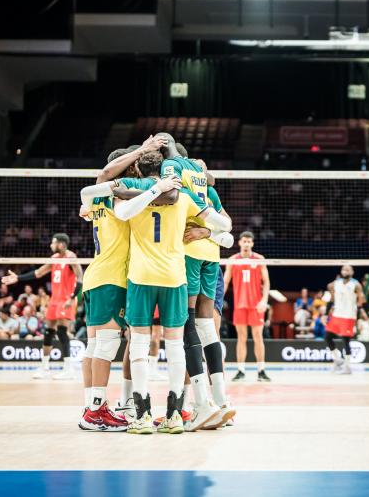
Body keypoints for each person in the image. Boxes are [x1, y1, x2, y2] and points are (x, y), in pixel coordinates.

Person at [112, 150, 230, 434]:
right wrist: (206, 231)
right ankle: (175, 415)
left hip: (141, 276)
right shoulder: (185, 196)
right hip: (174, 276)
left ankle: (141, 415)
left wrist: (153, 190)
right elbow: (225, 226)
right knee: (175, 345)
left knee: (140, 344)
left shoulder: (132, 189)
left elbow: (122, 212)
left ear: (138, 168)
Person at [75, 145, 164, 432]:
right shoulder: (111, 191)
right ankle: (96, 411)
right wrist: (143, 152)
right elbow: (104, 176)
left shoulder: (97, 200)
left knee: (96, 346)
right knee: (108, 345)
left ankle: (92, 406)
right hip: (111, 277)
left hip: (97, 276)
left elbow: (89, 205)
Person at [157, 136, 236, 427]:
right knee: (206, 328)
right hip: (210, 257)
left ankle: (204, 403)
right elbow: (226, 228)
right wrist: (209, 231)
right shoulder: (205, 188)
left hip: (190, 255)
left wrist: (203, 232)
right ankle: (221, 401)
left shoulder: (176, 179)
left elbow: (227, 230)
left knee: (188, 324)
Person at [2, 234, 83, 380]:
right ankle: (45, 367)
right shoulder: (54, 259)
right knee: (48, 332)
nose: (51, 245)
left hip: (66, 299)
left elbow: (81, 279)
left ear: (62, 244)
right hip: (54, 299)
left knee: (62, 332)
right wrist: (18, 278)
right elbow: (38, 273)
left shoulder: (71, 257)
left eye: (54, 243)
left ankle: (68, 368)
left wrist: (72, 298)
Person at [225, 231, 271, 382]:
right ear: (239, 243)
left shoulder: (259, 259)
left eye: (248, 241)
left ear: (252, 243)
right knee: (241, 338)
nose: (246, 244)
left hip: (256, 305)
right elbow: (225, 282)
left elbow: (266, 282)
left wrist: (264, 300)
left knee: (258, 337)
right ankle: (240, 370)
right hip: (239, 305)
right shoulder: (233, 260)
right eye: (244, 241)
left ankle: (261, 370)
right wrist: (218, 299)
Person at [324, 265, 364, 374]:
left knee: (346, 341)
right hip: (336, 315)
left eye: (348, 269)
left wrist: (359, 318)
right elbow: (330, 296)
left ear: (352, 272)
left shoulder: (356, 284)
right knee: (327, 337)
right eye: (343, 269)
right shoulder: (336, 283)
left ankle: (347, 367)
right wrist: (325, 314)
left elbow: (361, 301)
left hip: (348, 316)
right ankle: (337, 359)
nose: (345, 271)